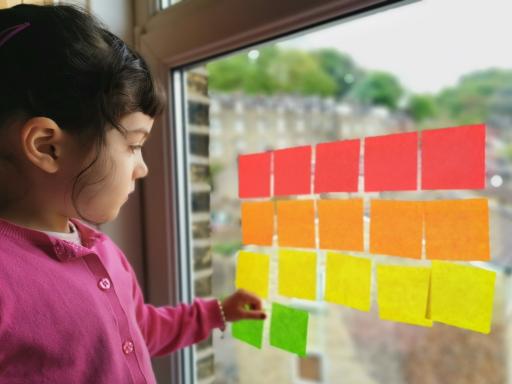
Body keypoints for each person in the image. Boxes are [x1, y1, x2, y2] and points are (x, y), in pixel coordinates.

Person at [0, 3, 266, 383]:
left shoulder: (102, 252)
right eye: (133, 145)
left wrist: (216, 313)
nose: (143, 168)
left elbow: (138, 330)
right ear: (47, 147)